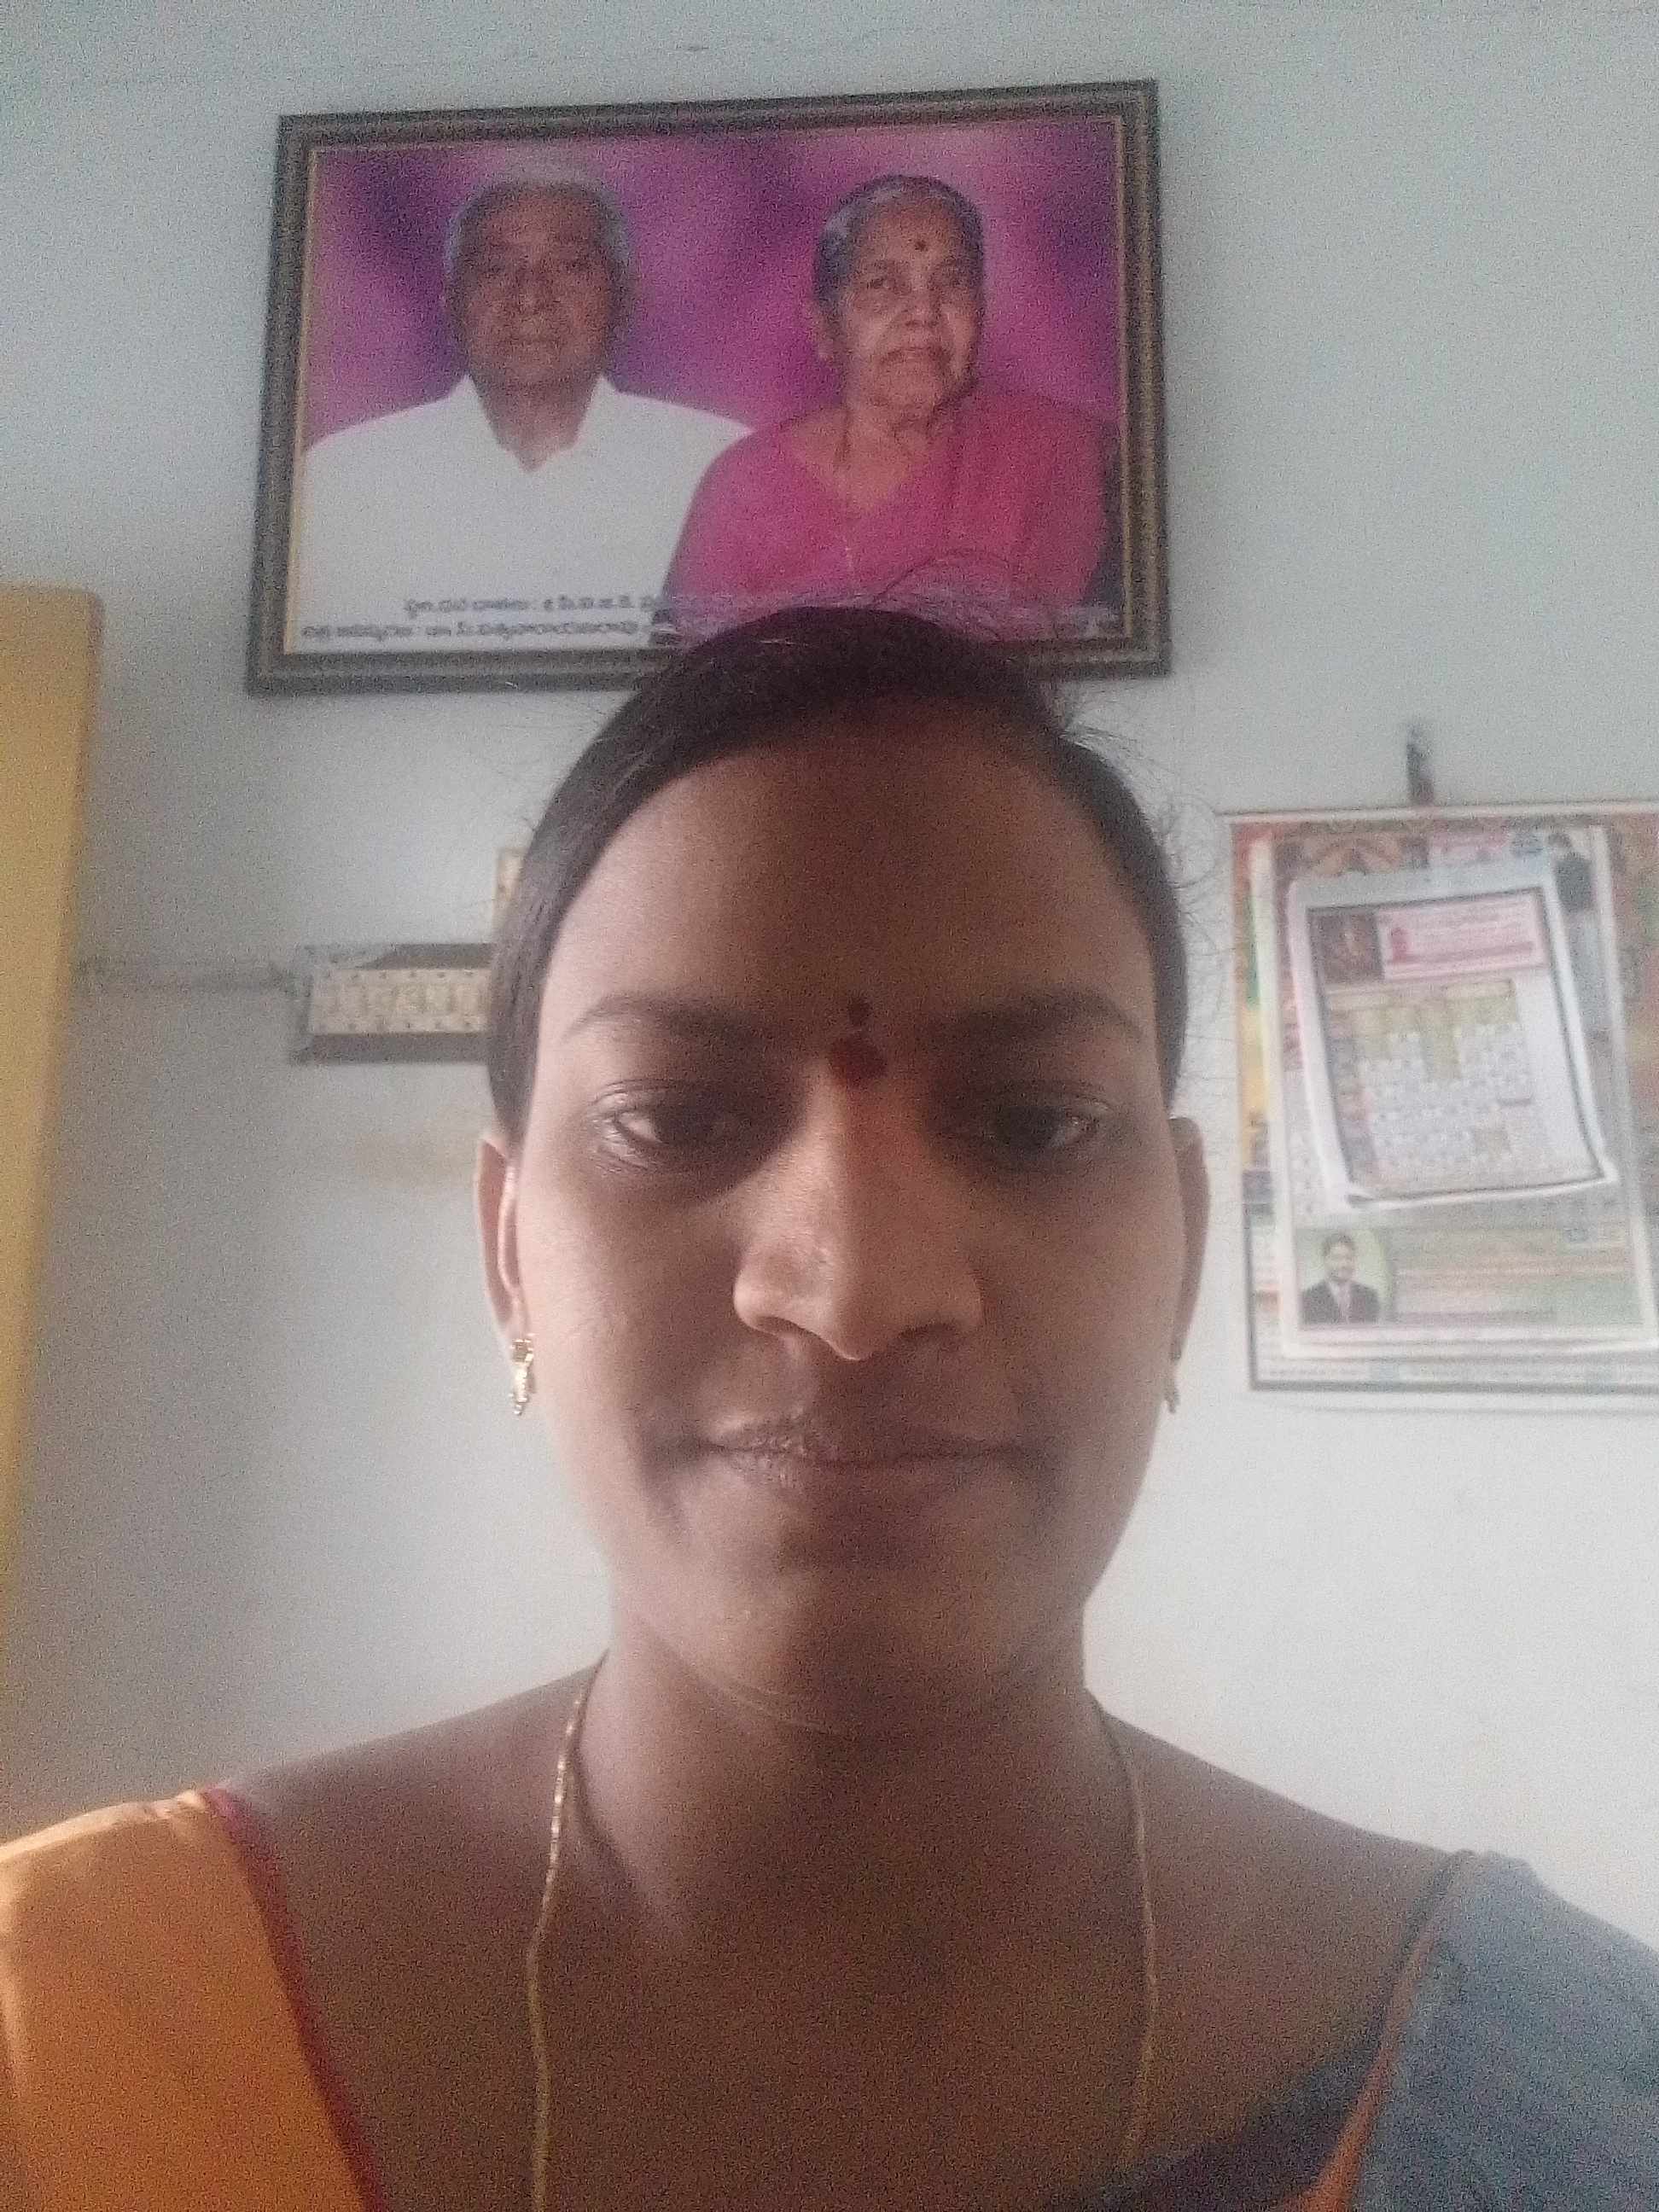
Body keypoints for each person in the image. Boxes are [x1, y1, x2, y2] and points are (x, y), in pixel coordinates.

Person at [4, 610, 1657, 2208]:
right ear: (510, 1257)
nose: (856, 1291)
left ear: (1180, 1251)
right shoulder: (70, 2030)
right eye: (675, 1116)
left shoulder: (1574, 2104)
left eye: (1032, 1123)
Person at [290, 173, 744, 651]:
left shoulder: (720, 465)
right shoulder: (341, 479)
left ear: (625, 298)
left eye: (569, 266)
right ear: (449, 303)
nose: (529, 299)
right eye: (495, 269)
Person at [662, 177, 1120, 640]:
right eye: (883, 285)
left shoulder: (1064, 454)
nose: (924, 313)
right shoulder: (748, 486)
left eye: (952, 283)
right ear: (824, 328)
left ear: (981, 312)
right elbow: (705, 673)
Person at [1300, 1234, 1382, 1325]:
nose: (1344, 1264)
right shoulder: (1308, 1299)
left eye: (1349, 1258)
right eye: (1336, 1258)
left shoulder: (1369, 1297)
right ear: (1325, 1260)